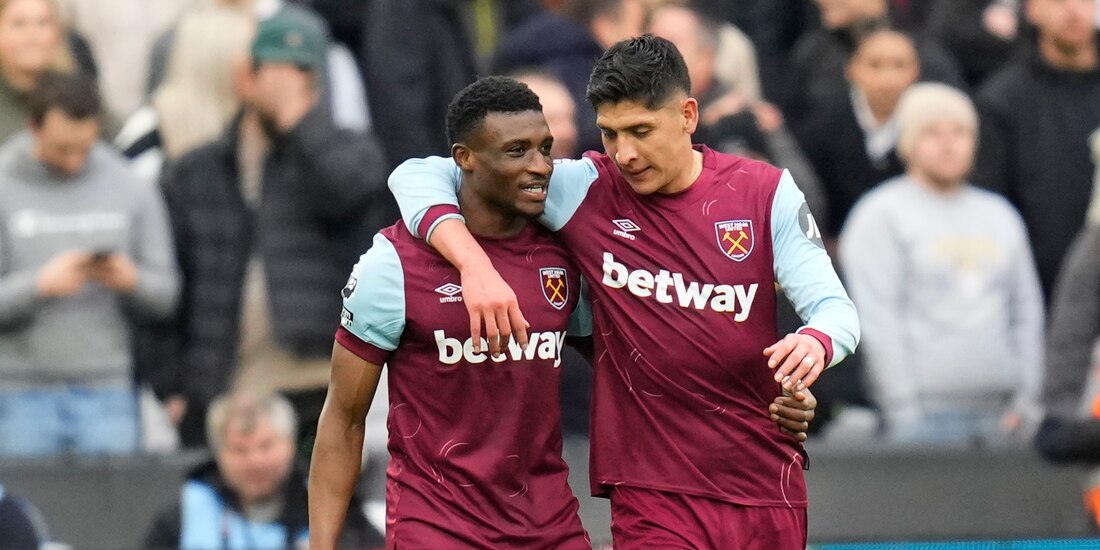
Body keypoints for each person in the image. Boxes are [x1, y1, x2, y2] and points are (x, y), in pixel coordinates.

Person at [388, 35, 858, 548]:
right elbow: (420, 173)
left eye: (641, 130)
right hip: (652, 491)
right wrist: (473, 264)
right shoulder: (585, 189)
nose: (626, 154)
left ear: (688, 114)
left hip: (764, 480)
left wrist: (813, 344)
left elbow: (835, 311)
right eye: (611, 134)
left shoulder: (764, 193)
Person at [147, 8, 393, 449]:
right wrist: (172, 385)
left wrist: (300, 120)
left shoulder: (348, 153)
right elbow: (175, 278)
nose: (286, 84)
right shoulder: (197, 171)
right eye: (274, 71)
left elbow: (351, 197)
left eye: (301, 73)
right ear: (246, 76)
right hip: (225, 381)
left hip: (318, 375)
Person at [839, 82, 1044, 445]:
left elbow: (1026, 311)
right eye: (933, 132)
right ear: (908, 141)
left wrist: (1028, 398)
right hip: (923, 419)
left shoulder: (1000, 215)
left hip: (1005, 417)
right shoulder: (881, 215)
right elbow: (878, 319)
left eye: (961, 132)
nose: (949, 143)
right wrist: (903, 410)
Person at [0, 70, 178, 457]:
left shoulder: (130, 186)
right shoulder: (4, 184)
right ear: (33, 127)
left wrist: (131, 280)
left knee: (110, 516)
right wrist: (38, 286)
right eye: (62, 149)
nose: (74, 160)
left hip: (107, 389)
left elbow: (166, 293)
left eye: (84, 147)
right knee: (21, 515)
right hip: (18, 392)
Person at [972, 0, 1100, 298]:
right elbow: (990, 209)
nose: (1072, 10)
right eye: (1057, 1)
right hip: (1037, 289)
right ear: (1032, 9)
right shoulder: (1002, 99)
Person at [144, 391, 381, 549]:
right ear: (218, 454)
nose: (254, 461)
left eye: (265, 446)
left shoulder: (334, 512)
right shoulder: (183, 518)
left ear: (289, 445)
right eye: (239, 450)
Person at [798, 27, 919, 239]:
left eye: (899, 65)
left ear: (915, 71)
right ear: (852, 69)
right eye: (875, 65)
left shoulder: (927, 125)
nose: (888, 77)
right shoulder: (823, 125)